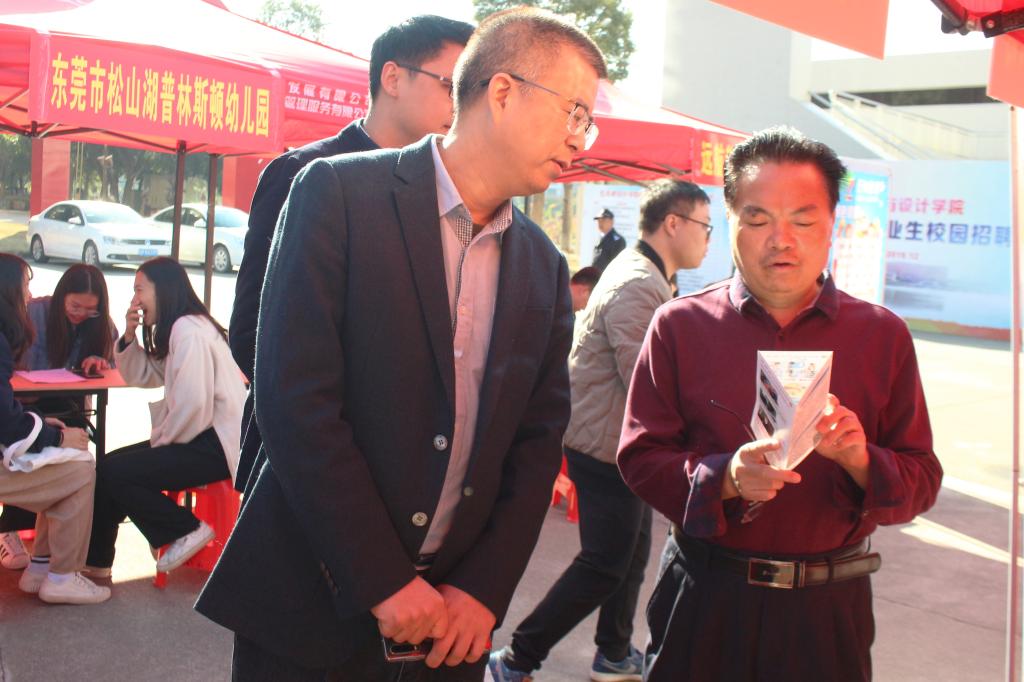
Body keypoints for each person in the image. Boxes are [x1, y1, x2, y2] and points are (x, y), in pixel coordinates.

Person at [195, 8, 607, 680]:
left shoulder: (543, 264)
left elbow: (536, 443)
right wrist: (383, 580)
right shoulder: (337, 192)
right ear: (503, 92)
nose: (579, 139)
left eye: (587, 122)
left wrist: (483, 590)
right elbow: (294, 400)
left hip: (451, 627)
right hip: (311, 599)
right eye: (574, 112)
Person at [616, 127, 942, 682]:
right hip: (705, 595)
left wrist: (860, 460)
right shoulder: (680, 325)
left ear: (832, 224)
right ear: (730, 222)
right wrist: (724, 478)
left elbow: (922, 478)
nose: (780, 240)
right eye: (758, 219)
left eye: (803, 221)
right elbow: (640, 459)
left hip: (827, 608)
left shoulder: (881, 335)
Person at [229, 15, 475, 494]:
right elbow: (251, 332)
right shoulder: (304, 172)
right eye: (451, 86)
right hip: (301, 464)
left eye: (469, 92)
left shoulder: (446, 193)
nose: (460, 106)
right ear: (393, 78)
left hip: (408, 469)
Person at [489, 180, 712, 682]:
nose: (708, 238)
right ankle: (517, 657)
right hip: (605, 445)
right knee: (605, 563)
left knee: (629, 557)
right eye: (705, 226)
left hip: (617, 441)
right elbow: (648, 380)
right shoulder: (639, 284)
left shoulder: (647, 275)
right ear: (673, 223)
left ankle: (612, 651)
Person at [85, 257, 246, 577]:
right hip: (199, 437)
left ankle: (184, 528)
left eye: (139, 289)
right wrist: (129, 336)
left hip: (213, 446)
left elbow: (193, 406)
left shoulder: (189, 330)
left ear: (162, 290)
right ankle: (96, 565)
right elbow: (147, 374)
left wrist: (160, 441)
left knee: (116, 471)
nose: (135, 299)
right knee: (108, 466)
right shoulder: (182, 327)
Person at [0, 253, 109, 604]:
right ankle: (61, 576)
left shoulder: (100, 326)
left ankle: (40, 567)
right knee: (81, 466)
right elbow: (8, 424)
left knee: (64, 457)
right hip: (17, 427)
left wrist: (42, 428)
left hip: (27, 418)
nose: (29, 295)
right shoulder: (20, 327)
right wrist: (58, 436)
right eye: (25, 286)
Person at [591, 208, 625, 274]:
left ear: (611, 222)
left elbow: (617, 265)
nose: (600, 223)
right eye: (599, 221)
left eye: (603, 220)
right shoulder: (600, 238)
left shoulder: (618, 241)